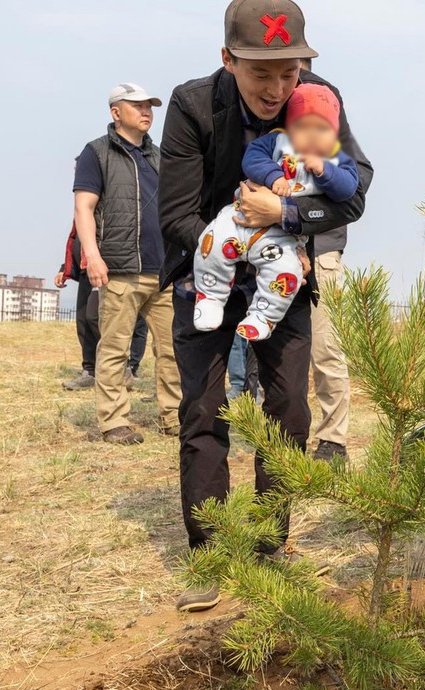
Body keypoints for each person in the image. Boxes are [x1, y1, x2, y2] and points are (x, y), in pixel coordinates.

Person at [159, 0, 372, 612]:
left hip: (287, 280)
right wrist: (238, 246)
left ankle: (270, 540)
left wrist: (284, 215)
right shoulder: (193, 105)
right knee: (203, 411)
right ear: (228, 60)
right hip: (206, 270)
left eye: (290, 72)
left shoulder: (319, 98)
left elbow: (351, 198)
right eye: (261, 74)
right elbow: (175, 213)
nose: (278, 89)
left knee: (287, 407)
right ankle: (210, 550)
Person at [192, 83, 359, 340]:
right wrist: (273, 175)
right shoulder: (276, 141)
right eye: (304, 127)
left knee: (286, 270)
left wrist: (324, 171)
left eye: (322, 129)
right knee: (213, 240)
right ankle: (210, 296)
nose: (313, 136)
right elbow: (252, 158)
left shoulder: (335, 157)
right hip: (241, 218)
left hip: (281, 235)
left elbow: (349, 188)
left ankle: (264, 317)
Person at [73, 83, 182, 445]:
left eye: (149, 105)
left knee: (172, 350)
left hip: (162, 271)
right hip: (119, 270)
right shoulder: (96, 153)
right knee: (115, 349)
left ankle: (174, 418)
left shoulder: (160, 157)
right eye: (137, 105)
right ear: (116, 112)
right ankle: (114, 422)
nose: (147, 111)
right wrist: (93, 256)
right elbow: (84, 209)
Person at [300, 56, 353, 464]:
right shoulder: (257, 110)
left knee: (326, 347)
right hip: (270, 248)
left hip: (322, 249)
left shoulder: (324, 98)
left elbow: (352, 181)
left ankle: (333, 439)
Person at [56, 222, 150, 390]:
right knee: (83, 322)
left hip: (103, 267)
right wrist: (65, 268)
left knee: (96, 318)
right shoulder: (82, 205)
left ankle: (121, 367)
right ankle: (90, 371)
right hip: (86, 269)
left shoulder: (99, 202)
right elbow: (77, 238)